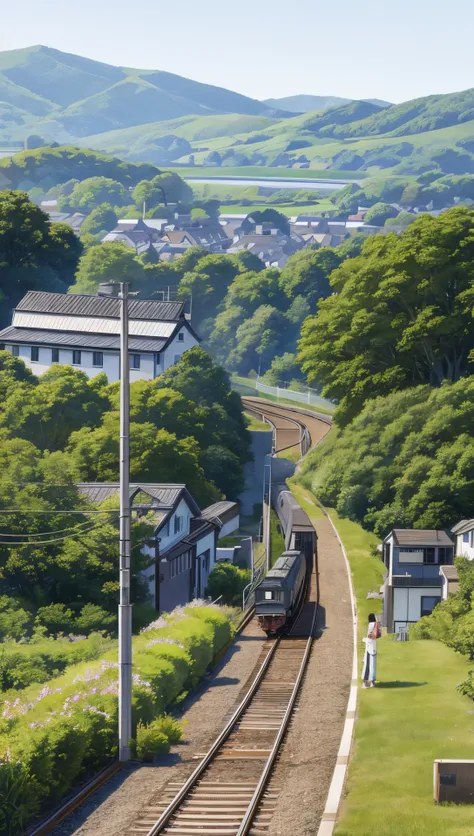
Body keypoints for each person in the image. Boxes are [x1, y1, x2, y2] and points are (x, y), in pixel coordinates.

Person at [361, 612, 380, 688]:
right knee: (373, 666)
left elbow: (370, 636)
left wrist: (364, 639)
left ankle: (365, 683)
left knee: (367, 666)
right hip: (374, 648)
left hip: (369, 649)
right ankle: (372, 682)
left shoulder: (370, 625)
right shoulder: (376, 625)